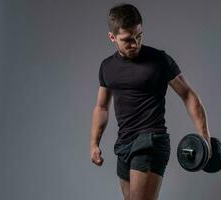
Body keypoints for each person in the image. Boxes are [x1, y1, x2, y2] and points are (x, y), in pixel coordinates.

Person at [90, 3, 212, 200]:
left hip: (151, 141)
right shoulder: (107, 67)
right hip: (124, 144)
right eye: (128, 40)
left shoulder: (160, 60)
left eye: (139, 36)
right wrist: (94, 143)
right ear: (112, 37)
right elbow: (102, 107)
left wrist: (204, 136)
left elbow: (188, 95)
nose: (135, 44)